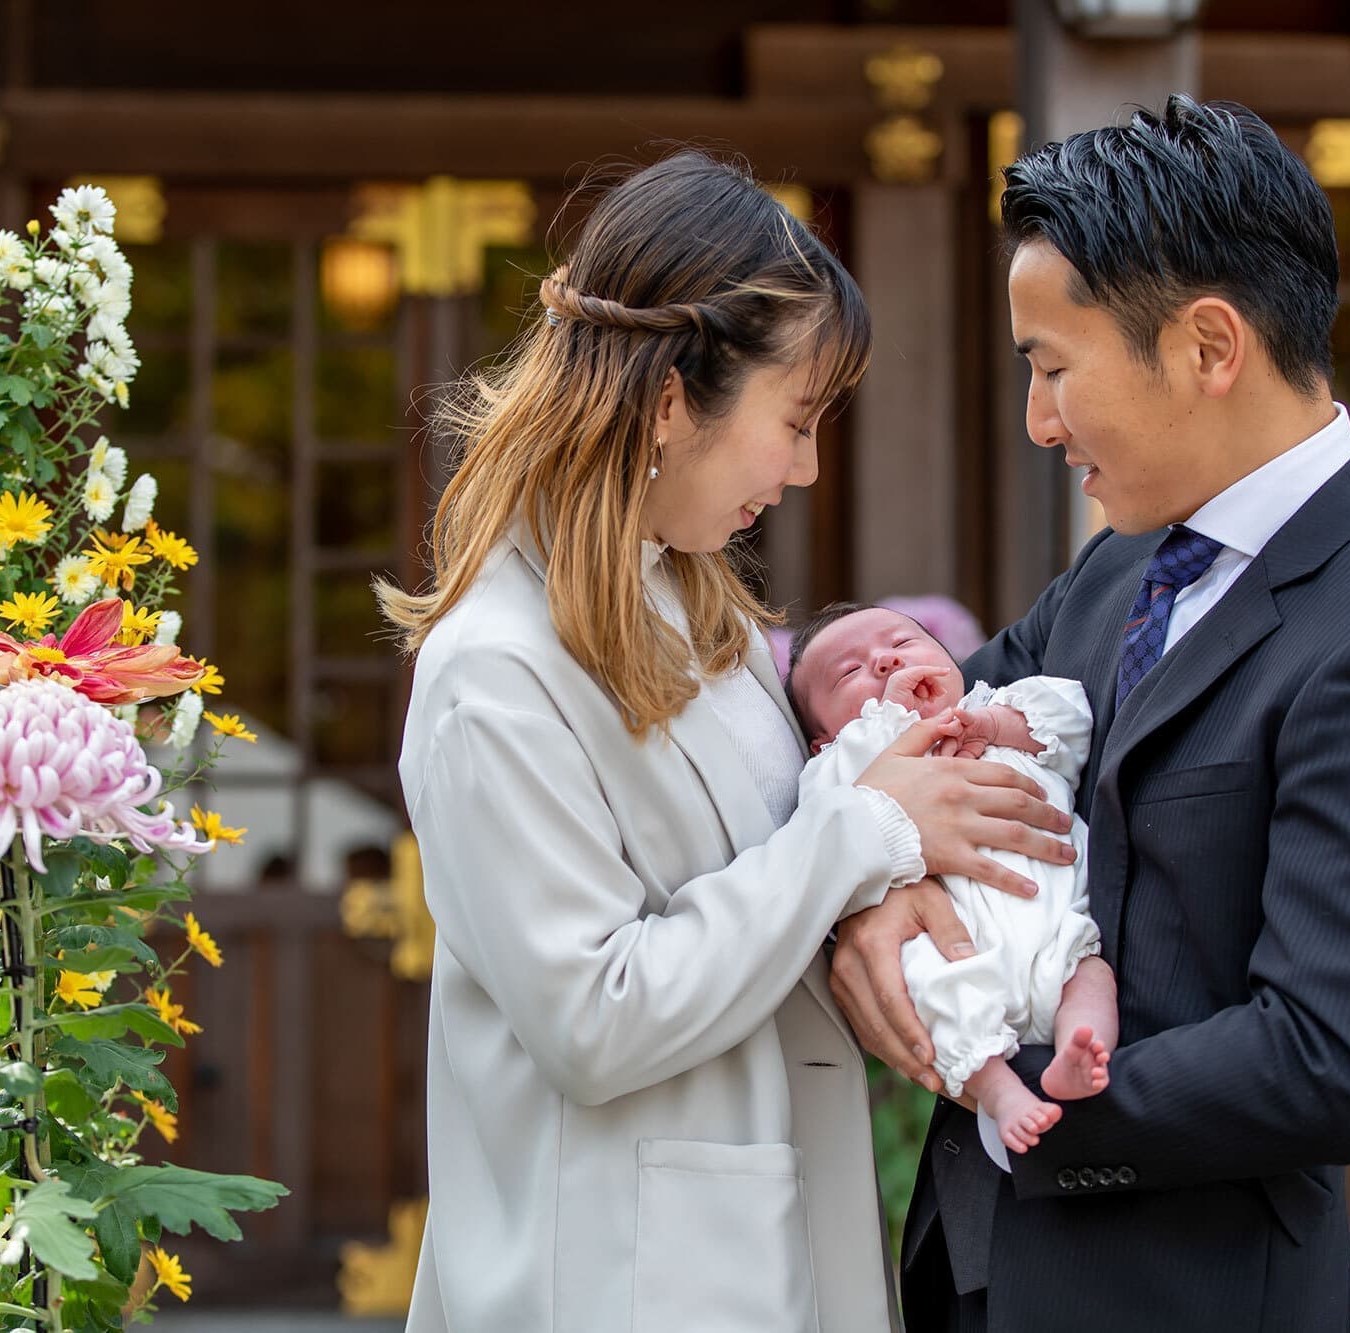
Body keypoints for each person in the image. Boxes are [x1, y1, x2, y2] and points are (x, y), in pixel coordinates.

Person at [828, 95, 1350, 1332]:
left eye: (1051, 369)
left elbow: (1327, 1061)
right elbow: (922, 747)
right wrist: (863, 901)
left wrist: (1008, 1091)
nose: (1038, 422)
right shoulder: (1121, 564)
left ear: (1205, 345)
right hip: (966, 1274)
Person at [377, 150, 1074, 1333]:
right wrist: (867, 832)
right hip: (613, 1273)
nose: (804, 470)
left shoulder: (710, 622)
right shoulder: (494, 672)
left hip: (764, 1235)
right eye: (792, 422)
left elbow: (789, 880)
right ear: (667, 402)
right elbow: (593, 1020)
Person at [790, 601, 1117, 1152]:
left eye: (902, 643)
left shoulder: (1002, 706)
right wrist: (892, 722)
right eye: (849, 672)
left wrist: (990, 723)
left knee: (1089, 975)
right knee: (929, 989)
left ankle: (1079, 1053)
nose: (886, 663)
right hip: (952, 945)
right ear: (822, 739)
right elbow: (842, 815)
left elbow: (1070, 723)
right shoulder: (838, 764)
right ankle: (1001, 1092)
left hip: (1051, 926)